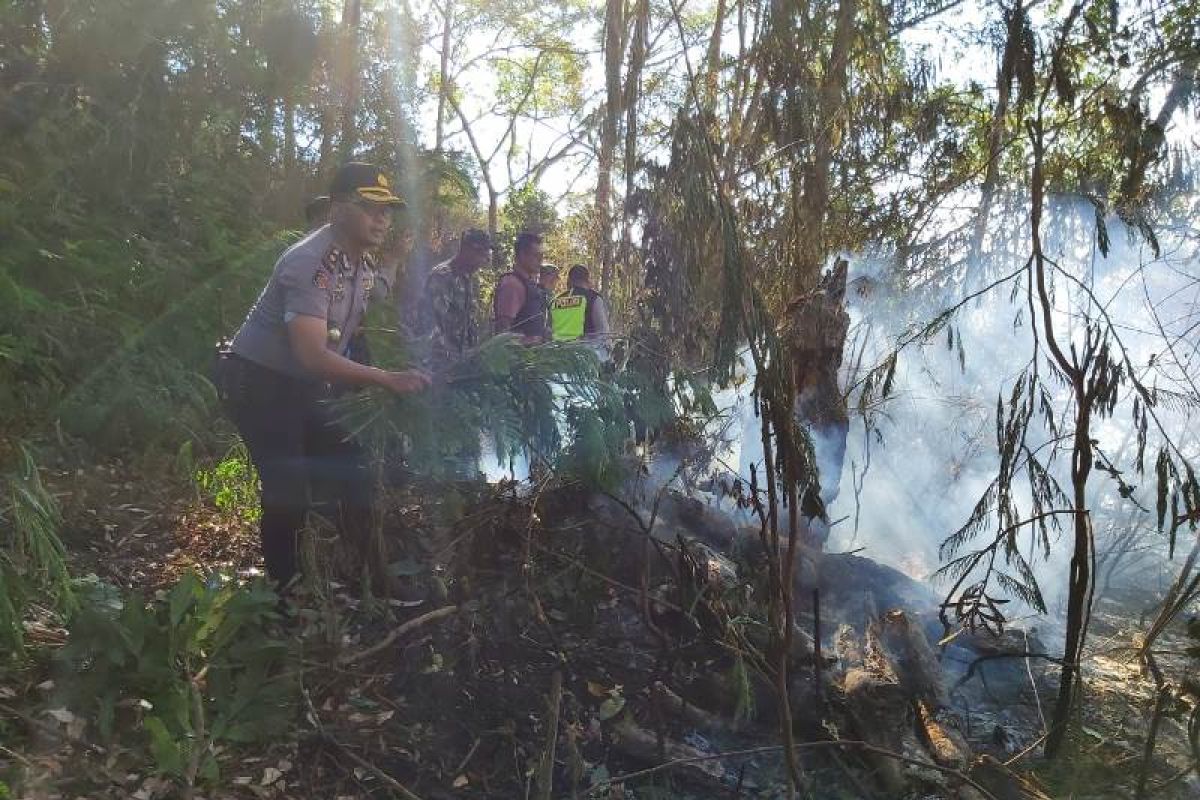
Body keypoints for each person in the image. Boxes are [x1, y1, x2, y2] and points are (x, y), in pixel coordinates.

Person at [218, 162, 431, 589]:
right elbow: (313, 355)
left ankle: (372, 577)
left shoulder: (360, 265)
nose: (382, 218)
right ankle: (285, 593)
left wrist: (397, 261)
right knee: (288, 487)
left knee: (351, 467)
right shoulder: (309, 262)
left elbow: (373, 295)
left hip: (302, 383)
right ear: (337, 210)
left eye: (387, 209)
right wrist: (386, 378)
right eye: (369, 207)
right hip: (259, 381)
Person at [422, 228, 491, 365]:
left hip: (463, 362)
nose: (484, 259)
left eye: (486, 253)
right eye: (480, 252)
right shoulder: (443, 276)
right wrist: (449, 362)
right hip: (442, 365)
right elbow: (432, 326)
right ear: (465, 249)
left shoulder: (467, 278)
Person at [493, 231, 548, 343]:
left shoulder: (530, 284)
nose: (540, 260)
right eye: (536, 255)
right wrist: (529, 341)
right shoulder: (512, 284)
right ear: (522, 255)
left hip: (533, 356)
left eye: (542, 256)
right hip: (518, 358)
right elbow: (503, 333)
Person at [550, 264, 611, 344]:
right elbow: (603, 332)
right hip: (584, 351)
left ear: (569, 280)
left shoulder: (556, 300)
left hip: (558, 351)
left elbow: (548, 330)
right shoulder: (593, 298)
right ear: (587, 280)